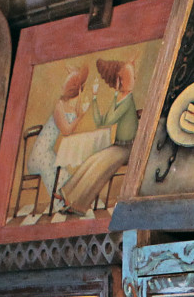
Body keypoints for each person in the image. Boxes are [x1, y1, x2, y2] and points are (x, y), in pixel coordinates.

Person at [57, 57, 138, 217]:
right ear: (120, 80)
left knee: (98, 167)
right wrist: (94, 97)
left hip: (128, 148)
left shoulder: (128, 100)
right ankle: (67, 195)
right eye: (129, 77)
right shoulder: (119, 98)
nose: (133, 79)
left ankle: (77, 204)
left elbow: (109, 120)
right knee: (91, 160)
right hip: (119, 146)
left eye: (133, 76)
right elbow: (101, 122)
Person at [21, 63, 92, 218]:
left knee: (62, 171)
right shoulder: (59, 106)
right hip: (38, 155)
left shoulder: (69, 106)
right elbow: (66, 130)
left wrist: (80, 91)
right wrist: (80, 117)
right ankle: (62, 204)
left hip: (47, 152)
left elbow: (77, 110)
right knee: (55, 170)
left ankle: (72, 201)